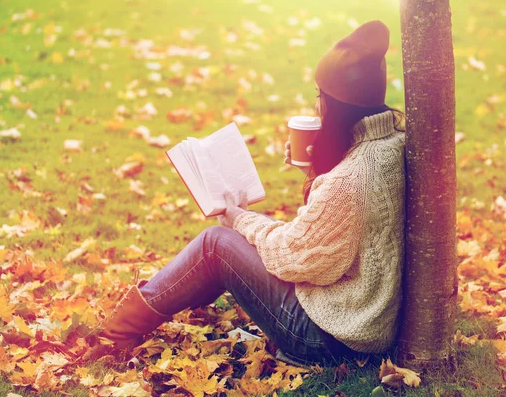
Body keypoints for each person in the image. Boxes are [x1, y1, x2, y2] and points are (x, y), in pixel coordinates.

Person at [87, 20, 406, 367]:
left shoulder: (350, 178)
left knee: (216, 244)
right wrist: (315, 173)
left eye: (321, 98)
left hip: (327, 337)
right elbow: (344, 234)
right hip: (362, 318)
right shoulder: (393, 144)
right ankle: (190, 290)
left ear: (336, 106)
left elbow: (294, 258)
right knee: (238, 239)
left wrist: (239, 218)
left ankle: (116, 333)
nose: (317, 108)